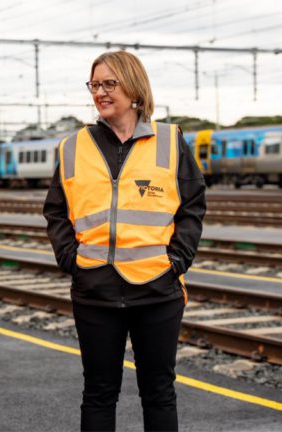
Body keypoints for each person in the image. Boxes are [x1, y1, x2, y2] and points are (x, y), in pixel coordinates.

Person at [43, 51, 206, 431]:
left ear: (134, 88)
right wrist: (71, 260)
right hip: (95, 289)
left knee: (159, 391)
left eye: (109, 84)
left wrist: (176, 262)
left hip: (157, 290)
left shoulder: (170, 141)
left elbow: (193, 206)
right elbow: (56, 212)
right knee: (99, 392)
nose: (100, 92)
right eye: (95, 84)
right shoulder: (73, 147)